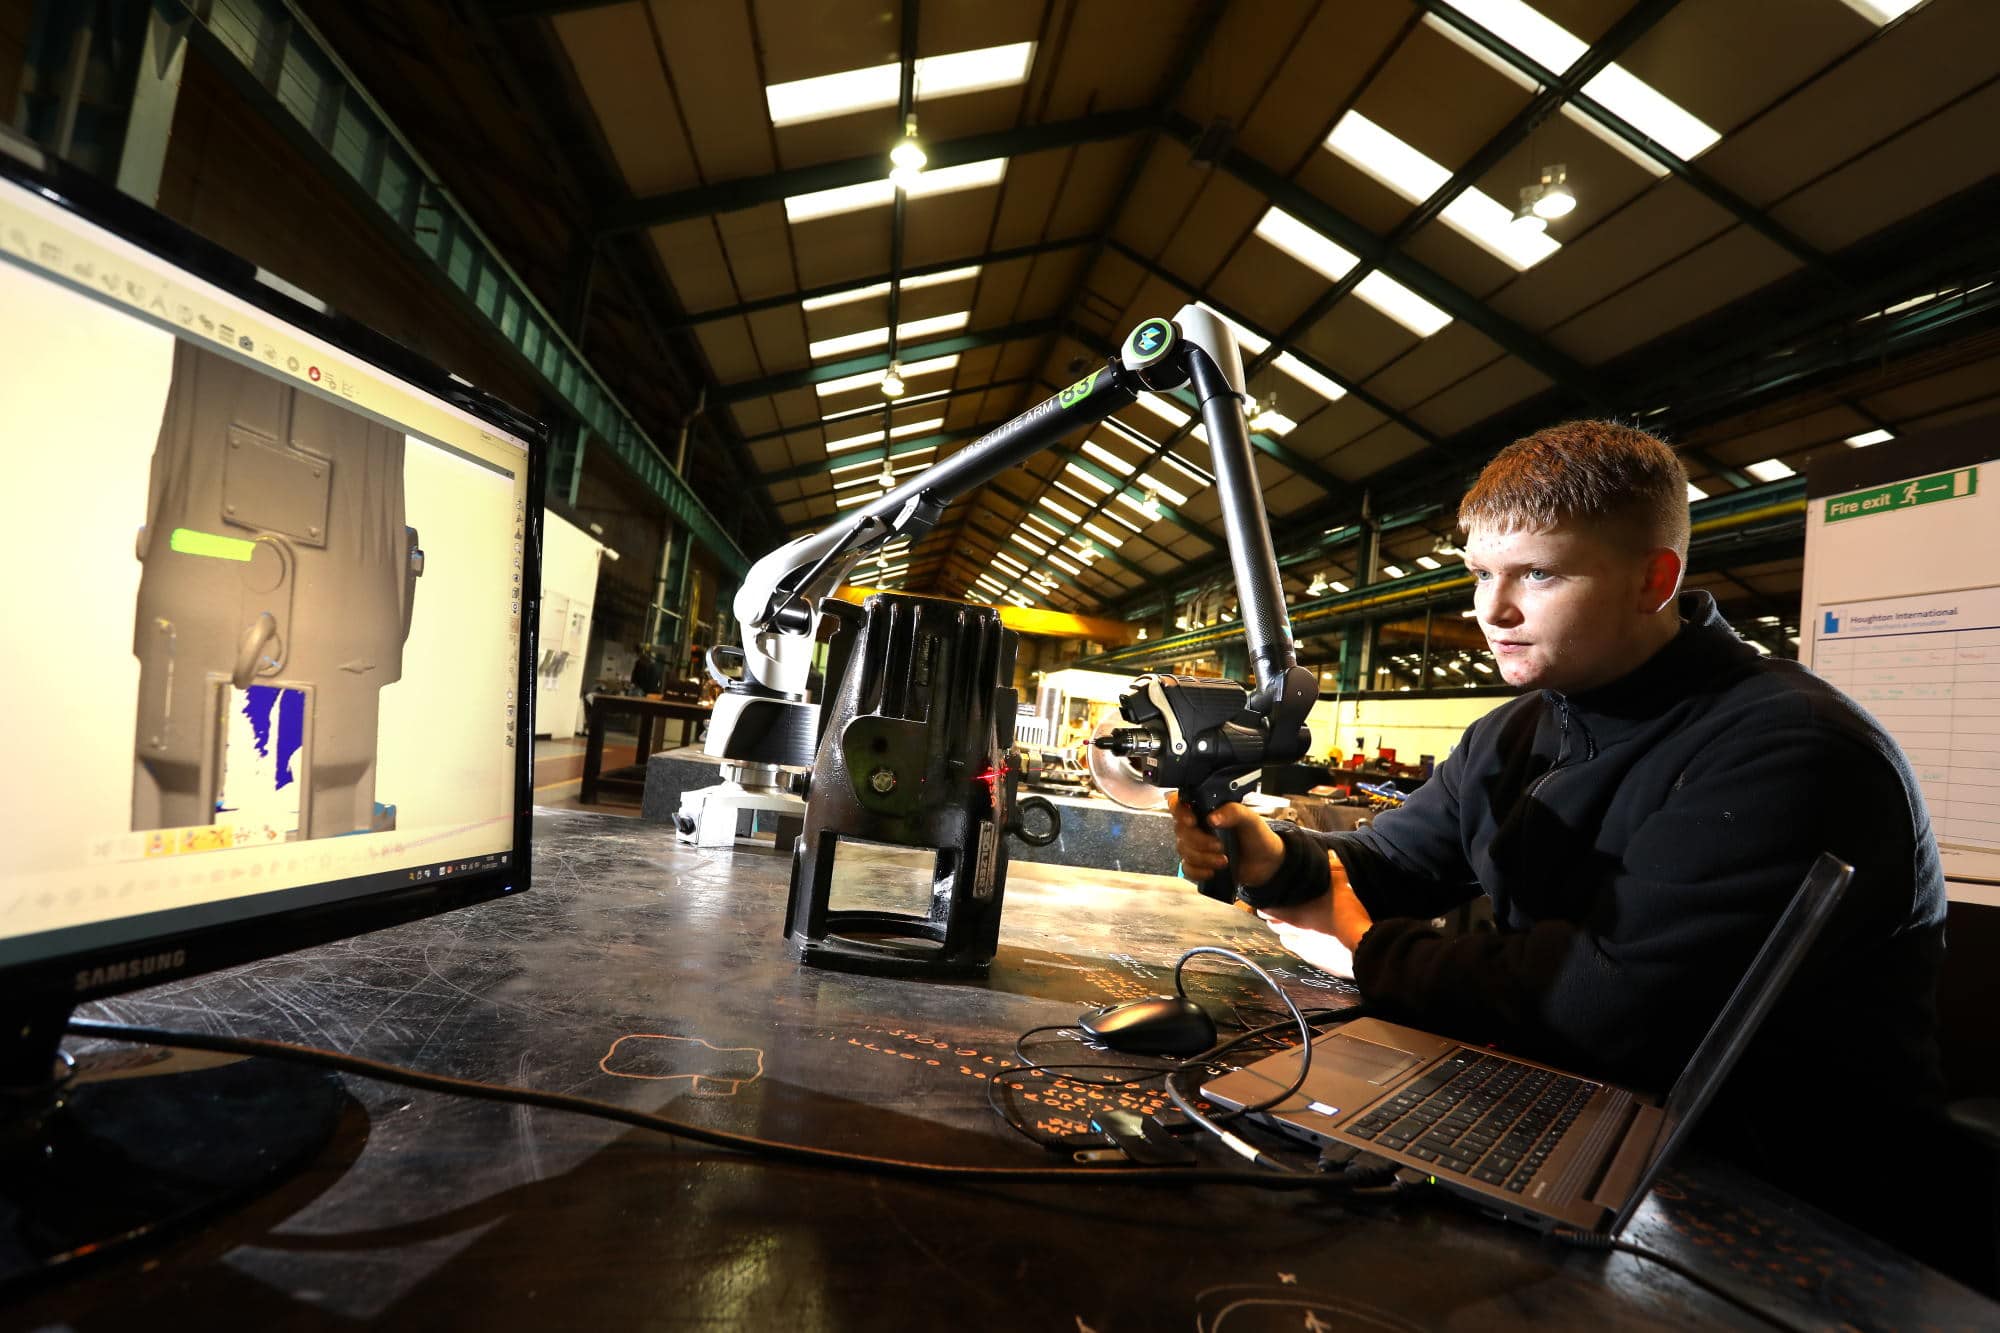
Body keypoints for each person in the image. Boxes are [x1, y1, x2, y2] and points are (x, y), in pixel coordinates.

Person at [1173, 420, 1959, 1271]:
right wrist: (1271, 857)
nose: (1492, 610)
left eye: (1538, 573)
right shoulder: (1513, 732)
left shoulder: (1789, 750)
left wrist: (1363, 945)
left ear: (1653, 579)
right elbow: (1389, 862)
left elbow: (1606, 1007)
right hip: (1593, 1130)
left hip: (1792, 1221)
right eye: (1479, 574)